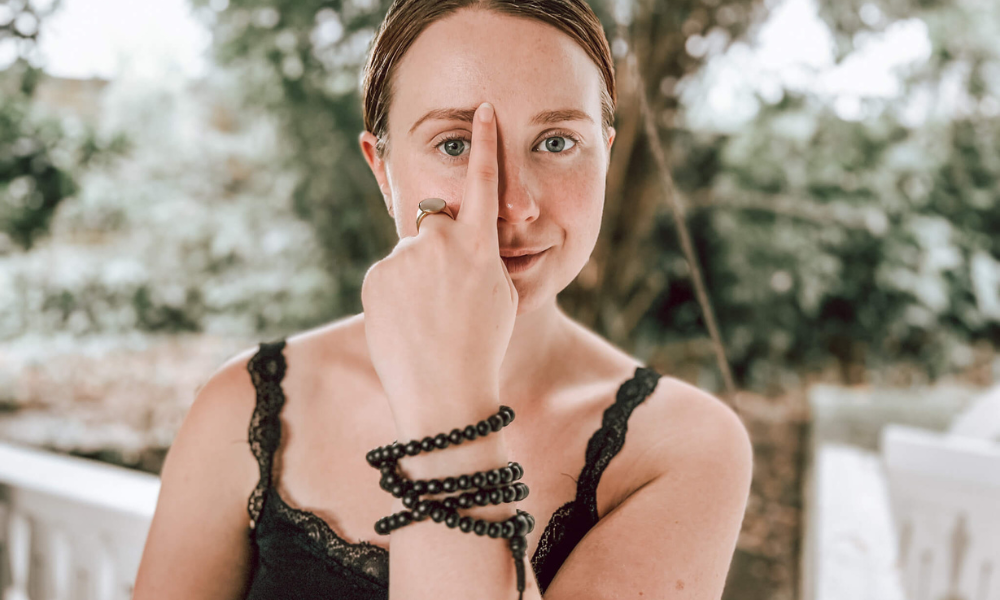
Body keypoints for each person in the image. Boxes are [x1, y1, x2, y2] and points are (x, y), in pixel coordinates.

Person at [132, 1, 753, 599]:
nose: (515, 206)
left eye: (557, 142)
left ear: (605, 155)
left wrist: (448, 397)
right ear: (384, 171)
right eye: (456, 145)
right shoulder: (243, 405)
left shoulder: (684, 447)